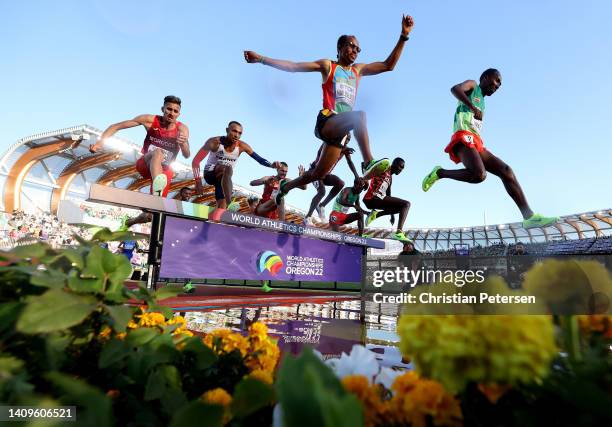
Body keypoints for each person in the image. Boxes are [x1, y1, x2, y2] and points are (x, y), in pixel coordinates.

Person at [244, 14, 415, 205]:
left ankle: (286, 187)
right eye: (351, 45)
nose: (355, 51)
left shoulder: (357, 71)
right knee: (360, 116)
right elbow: (294, 66)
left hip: (342, 131)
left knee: (318, 173)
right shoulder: (329, 66)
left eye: (358, 49)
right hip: (327, 120)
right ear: (340, 48)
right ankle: (368, 162)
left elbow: (388, 65)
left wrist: (404, 36)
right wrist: (261, 59)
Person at [421, 69, 558, 229]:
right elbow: (455, 89)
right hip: (462, 137)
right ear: (486, 78)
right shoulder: (473, 85)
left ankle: (529, 217)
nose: (498, 85)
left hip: (476, 141)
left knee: (506, 171)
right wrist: (472, 106)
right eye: (497, 80)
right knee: (479, 175)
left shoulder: (483, 102)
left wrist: (476, 109)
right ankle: (440, 173)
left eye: (500, 83)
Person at [90, 95, 190, 197]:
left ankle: (152, 204)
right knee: (158, 152)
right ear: (162, 109)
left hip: (165, 170)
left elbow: (186, 154)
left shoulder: (182, 129)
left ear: (178, 114)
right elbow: (116, 126)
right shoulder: (149, 120)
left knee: (157, 204)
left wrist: (184, 143)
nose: (171, 113)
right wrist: (99, 143)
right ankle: (158, 185)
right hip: (145, 165)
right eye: (169, 109)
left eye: (175, 111)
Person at [191, 121, 280, 211]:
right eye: (234, 131)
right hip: (210, 174)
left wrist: (271, 165)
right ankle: (230, 203)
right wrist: (198, 182)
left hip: (223, 179)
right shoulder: (214, 142)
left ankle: (219, 215)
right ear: (227, 130)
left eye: (239, 133)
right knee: (227, 167)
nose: (236, 135)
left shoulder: (242, 146)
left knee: (222, 205)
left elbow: (259, 159)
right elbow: (196, 161)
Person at [303, 143, 361, 226]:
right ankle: (307, 217)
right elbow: (319, 153)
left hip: (325, 175)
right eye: (345, 138)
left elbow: (350, 162)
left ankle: (321, 206)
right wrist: (341, 149)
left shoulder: (345, 149)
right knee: (321, 192)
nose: (346, 141)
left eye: (348, 140)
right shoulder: (330, 142)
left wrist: (356, 176)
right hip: (315, 171)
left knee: (340, 183)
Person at [363, 157, 411, 242]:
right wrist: (365, 179)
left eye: (402, 168)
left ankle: (376, 214)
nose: (401, 169)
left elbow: (389, 195)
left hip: (377, 200)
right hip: (372, 197)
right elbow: (365, 164)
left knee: (402, 208)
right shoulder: (384, 167)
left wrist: (392, 215)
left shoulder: (390, 179)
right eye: (400, 166)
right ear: (394, 164)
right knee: (406, 204)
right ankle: (399, 232)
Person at [118, 186, 194, 231]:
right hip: (168, 222)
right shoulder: (174, 203)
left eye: (189, 194)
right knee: (148, 216)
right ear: (181, 194)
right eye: (186, 193)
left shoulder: (193, 207)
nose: (188, 195)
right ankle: (129, 222)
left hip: (179, 227)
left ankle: (130, 222)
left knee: (149, 216)